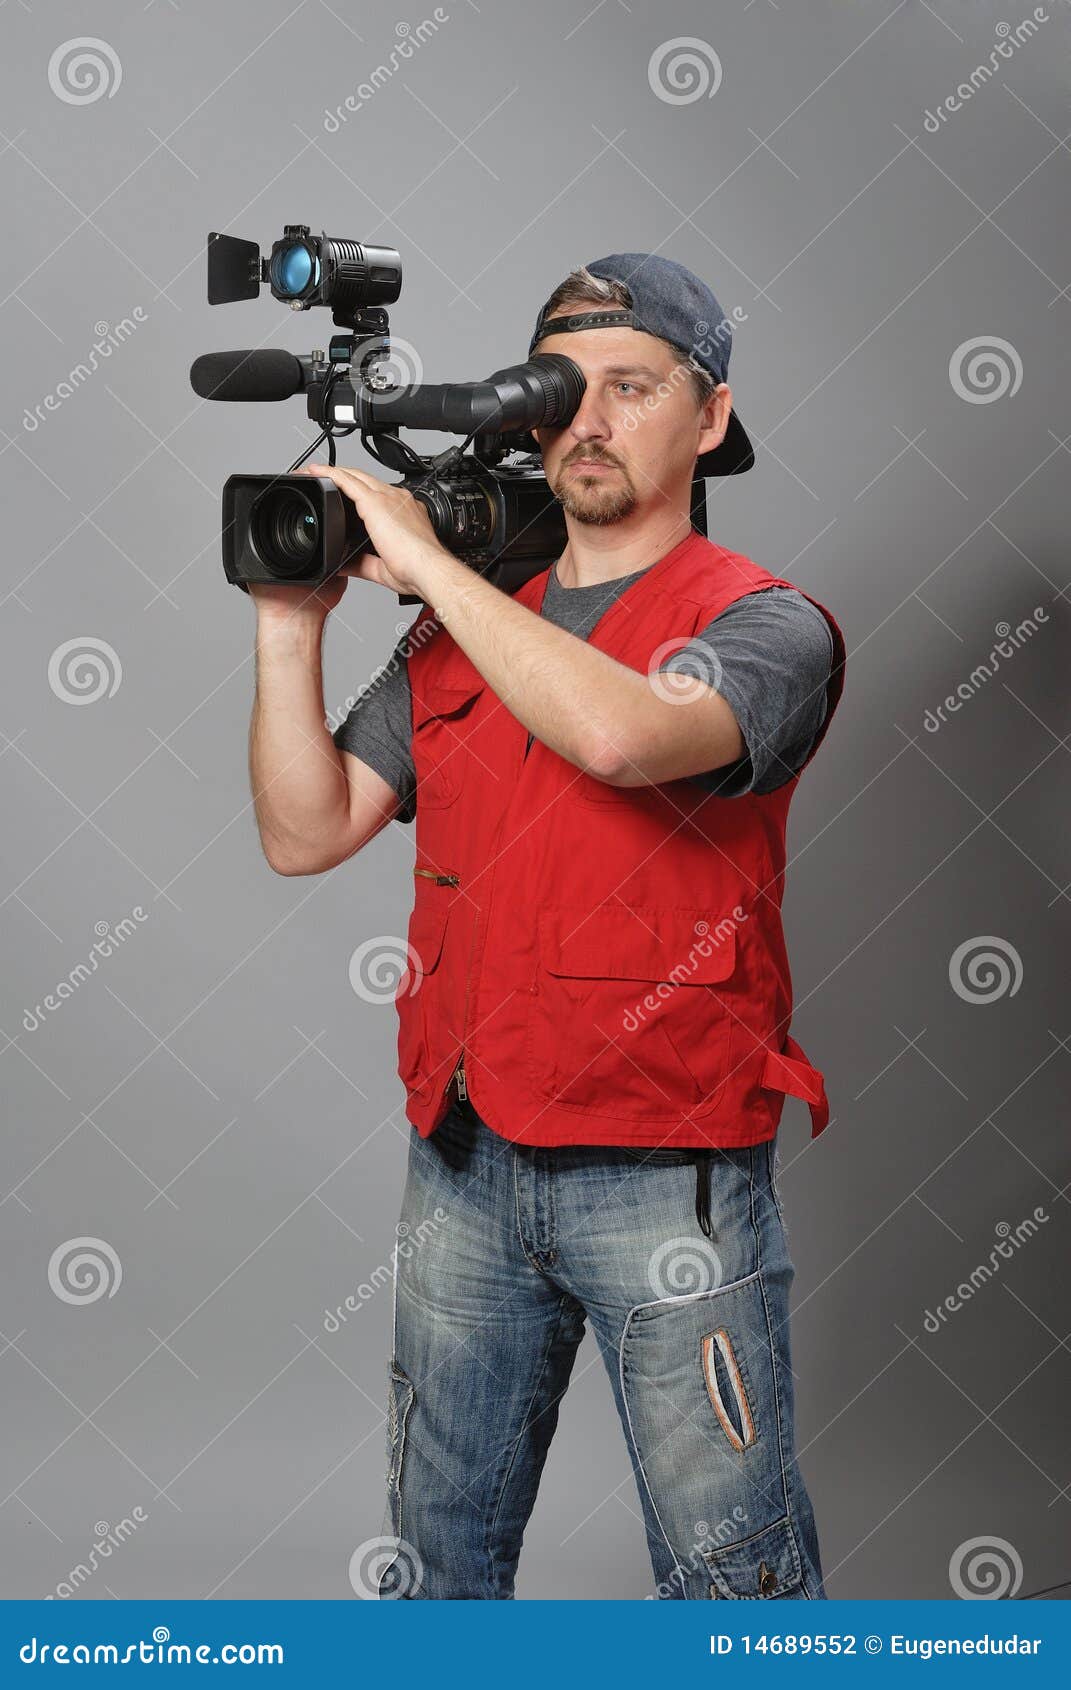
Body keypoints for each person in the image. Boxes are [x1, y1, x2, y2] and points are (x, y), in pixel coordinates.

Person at [247, 252, 846, 1601]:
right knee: (437, 1553)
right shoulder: (464, 631)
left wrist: (426, 563)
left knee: (729, 1571)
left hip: (663, 1167)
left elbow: (621, 732)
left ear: (709, 418)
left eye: (632, 388)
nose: (589, 420)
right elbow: (305, 828)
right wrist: (291, 626)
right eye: (564, 392)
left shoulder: (763, 624)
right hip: (463, 1154)